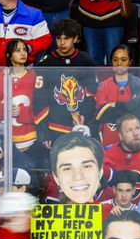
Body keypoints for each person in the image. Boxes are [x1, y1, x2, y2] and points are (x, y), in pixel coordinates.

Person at [34, 19, 97, 148]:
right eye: (58, 38)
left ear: (75, 39)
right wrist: (45, 132)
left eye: (66, 38)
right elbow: (39, 99)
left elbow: (91, 95)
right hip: (55, 126)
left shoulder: (86, 61)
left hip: (81, 124)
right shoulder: (45, 63)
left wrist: (84, 117)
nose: (62, 43)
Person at [0, 39, 37, 164]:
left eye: (24, 50)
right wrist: (4, 110)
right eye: (18, 50)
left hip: (30, 139)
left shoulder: (35, 77)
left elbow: (41, 108)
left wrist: (23, 112)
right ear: (9, 55)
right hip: (5, 140)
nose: (23, 53)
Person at [73, 0, 135, 65]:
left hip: (113, 15)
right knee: (92, 60)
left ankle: (113, 80)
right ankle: (95, 80)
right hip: (88, 15)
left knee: (114, 59)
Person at [103, 114, 140, 204]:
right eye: (129, 130)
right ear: (120, 136)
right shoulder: (106, 154)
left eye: (137, 128)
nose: (136, 133)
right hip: (112, 211)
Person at [95, 44, 140, 148]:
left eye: (123, 59)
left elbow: (137, 113)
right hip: (110, 139)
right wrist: (126, 106)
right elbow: (102, 114)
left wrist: (114, 105)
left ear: (130, 62)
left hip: (133, 139)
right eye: (115, 59)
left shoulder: (139, 83)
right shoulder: (103, 85)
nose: (119, 63)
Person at [49, 132, 104, 204]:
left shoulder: (115, 213)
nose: (78, 176)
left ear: (100, 171)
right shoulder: (37, 213)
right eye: (67, 168)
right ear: (56, 178)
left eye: (86, 166)